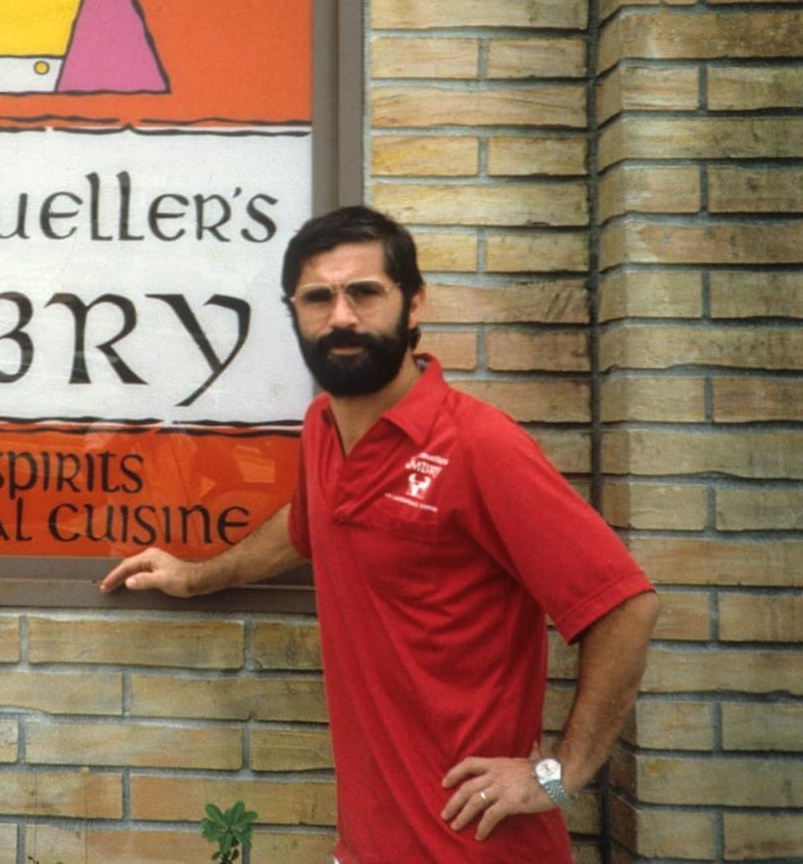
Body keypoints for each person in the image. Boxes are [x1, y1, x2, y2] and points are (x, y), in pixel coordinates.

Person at [101, 205, 657, 863]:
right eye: (318, 297)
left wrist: (559, 774)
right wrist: (198, 574)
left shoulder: (478, 445)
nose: (341, 316)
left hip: (476, 850)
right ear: (295, 313)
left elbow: (624, 602)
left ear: (413, 305)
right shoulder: (321, 428)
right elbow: (308, 526)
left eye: (364, 292)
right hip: (366, 845)